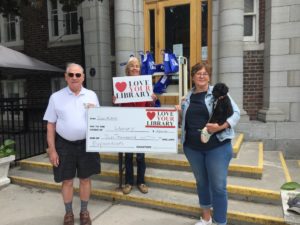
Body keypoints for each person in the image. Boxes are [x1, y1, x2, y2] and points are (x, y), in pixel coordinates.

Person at [177, 62, 240, 225]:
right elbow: (183, 122)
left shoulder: (218, 93)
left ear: (209, 77)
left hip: (217, 147)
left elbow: (236, 114)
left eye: (205, 73)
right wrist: (178, 113)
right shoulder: (187, 97)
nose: (202, 76)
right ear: (192, 77)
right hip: (193, 148)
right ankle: (206, 218)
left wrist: (221, 126)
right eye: (198, 73)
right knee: (202, 183)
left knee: (218, 187)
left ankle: (220, 222)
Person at [43, 63, 100, 225]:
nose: (74, 78)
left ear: (83, 77)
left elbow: (100, 119)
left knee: (85, 179)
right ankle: (68, 213)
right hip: (64, 145)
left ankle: (84, 211)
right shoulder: (56, 97)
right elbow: (50, 125)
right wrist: (52, 150)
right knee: (67, 180)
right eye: (71, 75)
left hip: (87, 144)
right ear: (66, 77)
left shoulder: (92, 95)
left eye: (77, 75)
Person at [113, 56, 157, 195]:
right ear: (128, 69)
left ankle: (141, 182)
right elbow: (119, 104)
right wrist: (115, 100)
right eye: (132, 66)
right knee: (128, 156)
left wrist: (153, 100)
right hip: (127, 124)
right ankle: (128, 182)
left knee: (140, 156)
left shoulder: (145, 85)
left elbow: (149, 105)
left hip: (141, 124)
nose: (135, 68)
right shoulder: (122, 84)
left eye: (137, 65)